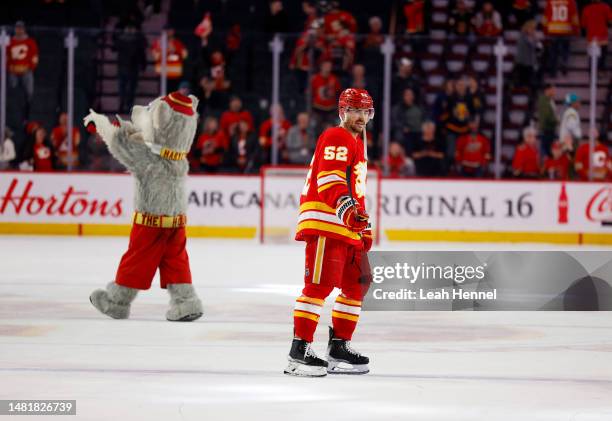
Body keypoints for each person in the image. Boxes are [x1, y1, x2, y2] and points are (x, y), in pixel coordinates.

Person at [286, 88, 374, 377]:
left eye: (365, 111)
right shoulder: (336, 136)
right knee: (319, 285)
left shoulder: (357, 141)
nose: (360, 117)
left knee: (358, 282)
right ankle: (299, 352)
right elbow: (330, 179)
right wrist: (347, 210)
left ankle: (339, 347)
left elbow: (355, 189)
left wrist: (363, 226)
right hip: (327, 221)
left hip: (346, 226)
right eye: (355, 110)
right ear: (342, 112)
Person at [113, 19, 147, 113]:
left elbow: (142, 52)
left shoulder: (134, 39)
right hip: (127, 67)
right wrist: (143, 65)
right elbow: (114, 47)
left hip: (129, 67)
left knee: (127, 88)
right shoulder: (132, 39)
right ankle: (125, 105)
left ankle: (125, 105)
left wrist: (143, 65)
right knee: (127, 88)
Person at [7, 21, 39, 120]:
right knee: (12, 87)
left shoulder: (30, 42)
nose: (19, 30)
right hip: (13, 71)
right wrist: (10, 67)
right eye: (17, 28)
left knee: (29, 89)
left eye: (21, 28)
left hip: (26, 70)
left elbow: (34, 57)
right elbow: (6, 57)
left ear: (24, 29)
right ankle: (12, 109)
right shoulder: (10, 41)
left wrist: (29, 68)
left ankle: (28, 109)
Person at [542, 0, 579, 77]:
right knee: (565, 50)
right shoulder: (570, 2)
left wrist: (545, 31)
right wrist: (576, 31)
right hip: (566, 30)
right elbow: (574, 18)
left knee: (553, 53)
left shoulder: (550, 2)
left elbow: (545, 17)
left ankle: (553, 72)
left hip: (553, 30)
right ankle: (564, 63)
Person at [151, 27, 188, 93]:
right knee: (162, 97)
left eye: (169, 30)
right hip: (162, 76)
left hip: (175, 76)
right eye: (166, 31)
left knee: (173, 97)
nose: (168, 33)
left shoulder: (178, 43)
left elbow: (185, 56)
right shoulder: (158, 43)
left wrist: (175, 49)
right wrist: (163, 49)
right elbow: (156, 57)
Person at [310, 60, 342, 131]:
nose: (328, 68)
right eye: (326, 66)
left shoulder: (334, 79)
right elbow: (310, 94)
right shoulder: (315, 79)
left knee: (332, 128)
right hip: (317, 108)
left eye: (329, 66)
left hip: (331, 109)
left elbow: (338, 93)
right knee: (316, 128)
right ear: (321, 67)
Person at [581, 0, 612, 71]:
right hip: (602, 37)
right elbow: (610, 20)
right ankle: (600, 70)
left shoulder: (586, 9)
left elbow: (583, 24)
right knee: (602, 55)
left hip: (591, 37)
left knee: (592, 57)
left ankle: (592, 72)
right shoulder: (605, 7)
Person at [392, 88, 423, 153]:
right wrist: (403, 127)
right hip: (404, 132)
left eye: (411, 95)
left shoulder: (418, 107)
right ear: (403, 96)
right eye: (407, 95)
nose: (409, 97)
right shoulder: (398, 108)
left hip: (417, 131)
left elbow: (422, 120)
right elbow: (395, 121)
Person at [537, 84, 558, 157]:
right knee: (546, 151)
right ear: (547, 90)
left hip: (550, 129)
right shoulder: (543, 101)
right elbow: (547, 116)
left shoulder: (550, 100)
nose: (554, 91)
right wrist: (557, 120)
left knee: (550, 150)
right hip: (546, 130)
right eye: (552, 90)